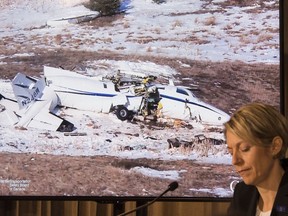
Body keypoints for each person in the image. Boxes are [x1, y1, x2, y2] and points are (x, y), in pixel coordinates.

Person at [224, 103, 288, 216]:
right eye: (231, 152)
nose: (234, 161)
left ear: (275, 146)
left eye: (244, 149)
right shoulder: (241, 194)